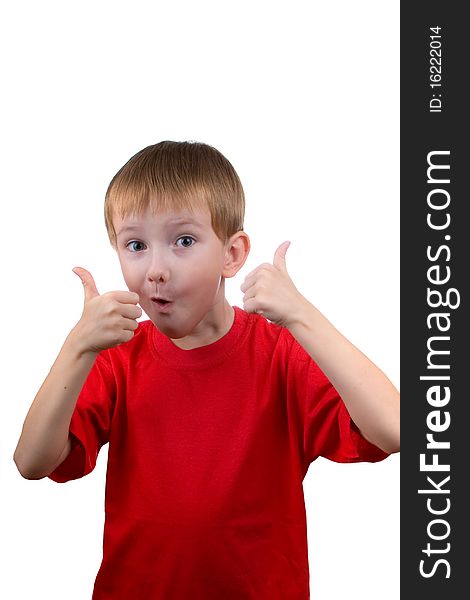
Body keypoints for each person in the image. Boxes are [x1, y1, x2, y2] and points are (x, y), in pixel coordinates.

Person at [13, 140, 400, 599]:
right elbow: (31, 462)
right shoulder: (116, 356)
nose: (156, 269)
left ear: (232, 255)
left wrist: (301, 314)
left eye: (183, 241)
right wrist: (76, 347)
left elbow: (395, 430)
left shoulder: (279, 353)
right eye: (135, 245)